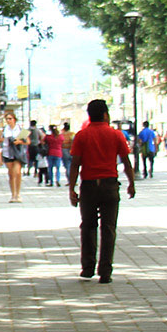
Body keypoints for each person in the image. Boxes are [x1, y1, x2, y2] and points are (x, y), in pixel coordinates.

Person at [68, 98, 137, 284]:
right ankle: (105, 271)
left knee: (88, 226)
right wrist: (131, 183)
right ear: (106, 114)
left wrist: (72, 189)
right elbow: (126, 162)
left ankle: (87, 268)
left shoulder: (82, 136)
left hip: (89, 186)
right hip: (110, 186)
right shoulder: (116, 135)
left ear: (89, 115)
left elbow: (75, 164)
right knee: (108, 228)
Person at [0, 111, 26, 202]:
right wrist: (3, 139)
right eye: (7, 119)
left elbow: (28, 141)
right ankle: (13, 194)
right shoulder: (4, 129)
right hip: (7, 152)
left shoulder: (20, 128)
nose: (8, 120)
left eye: (10, 118)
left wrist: (19, 141)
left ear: (14, 119)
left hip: (17, 153)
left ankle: (18, 194)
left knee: (17, 172)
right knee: (11, 174)